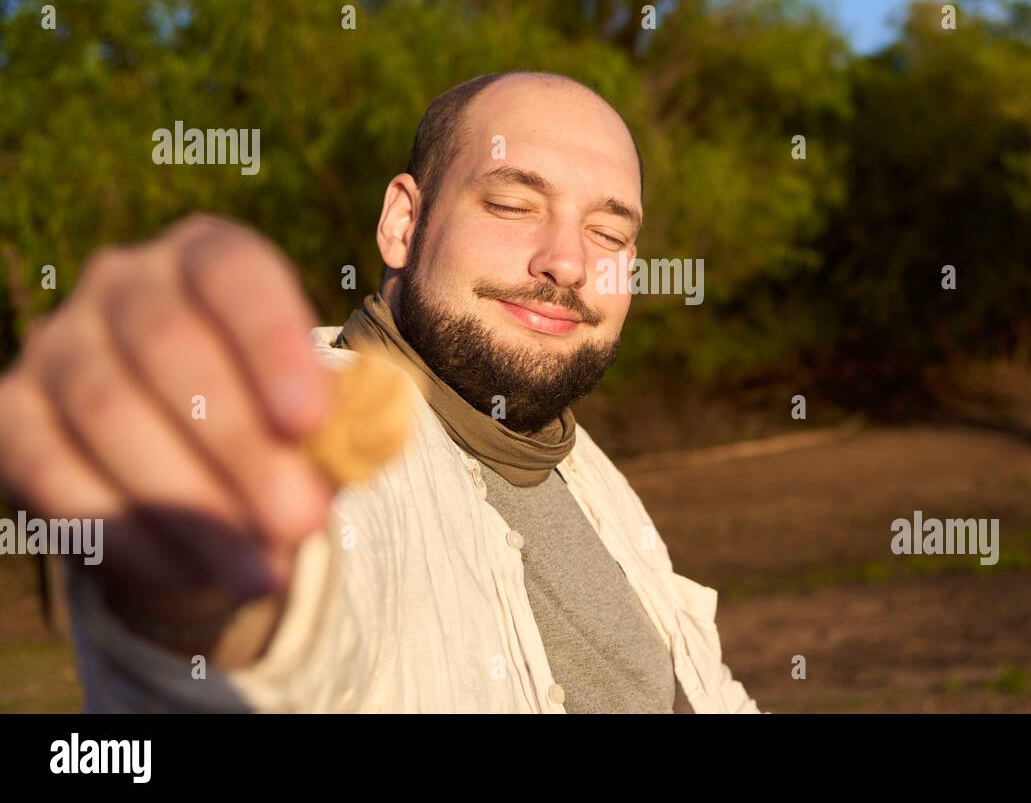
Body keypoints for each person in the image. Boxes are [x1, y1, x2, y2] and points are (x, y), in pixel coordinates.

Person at [0, 70, 761, 713]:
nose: (566, 260)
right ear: (403, 221)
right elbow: (296, 630)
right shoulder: (326, 431)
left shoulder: (587, 471)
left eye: (607, 232)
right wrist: (206, 583)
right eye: (512, 204)